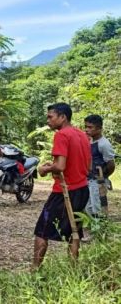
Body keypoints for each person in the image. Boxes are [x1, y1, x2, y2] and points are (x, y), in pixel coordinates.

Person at [33, 103, 90, 269]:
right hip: (82, 189)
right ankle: (73, 269)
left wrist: (45, 169)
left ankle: (35, 270)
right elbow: (88, 165)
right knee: (74, 231)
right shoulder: (82, 134)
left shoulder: (62, 135)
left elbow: (60, 167)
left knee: (41, 230)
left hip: (65, 191)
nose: (48, 120)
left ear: (63, 117)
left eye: (51, 117)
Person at [84, 114, 115, 216]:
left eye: (90, 127)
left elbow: (111, 164)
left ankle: (100, 228)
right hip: (89, 179)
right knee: (88, 207)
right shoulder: (90, 140)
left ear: (99, 129)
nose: (87, 130)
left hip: (98, 181)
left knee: (98, 207)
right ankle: (94, 227)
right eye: (86, 127)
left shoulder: (104, 144)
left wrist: (102, 177)